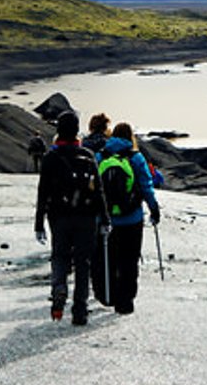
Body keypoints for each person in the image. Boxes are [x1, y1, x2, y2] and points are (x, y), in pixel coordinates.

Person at [33, 111, 104, 326]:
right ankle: (80, 310)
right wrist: (106, 219)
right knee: (83, 263)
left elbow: (42, 193)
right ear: (76, 130)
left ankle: (59, 288)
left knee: (60, 257)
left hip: (59, 217)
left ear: (58, 131)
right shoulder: (88, 155)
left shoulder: (50, 158)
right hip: (86, 218)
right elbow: (98, 191)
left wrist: (39, 224)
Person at [98, 121, 161, 315]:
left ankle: (109, 294)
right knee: (129, 259)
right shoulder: (136, 157)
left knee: (110, 258)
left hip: (107, 219)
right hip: (132, 218)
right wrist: (154, 208)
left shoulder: (101, 156)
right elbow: (146, 186)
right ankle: (126, 301)